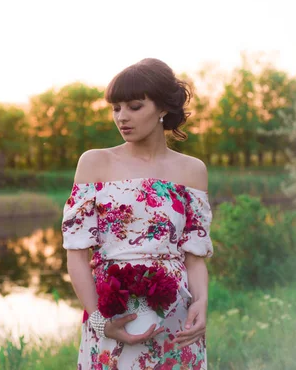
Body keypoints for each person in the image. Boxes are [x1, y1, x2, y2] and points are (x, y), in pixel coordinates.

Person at [62, 58, 214, 369]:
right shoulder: (94, 163)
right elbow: (76, 255)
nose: (121, 117)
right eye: (116, 108)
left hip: (176, 322)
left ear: (162, 109)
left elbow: (194, 257)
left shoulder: (192, 171)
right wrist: (102, 323)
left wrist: (200, 302)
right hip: (112, 316)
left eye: (134, 106)